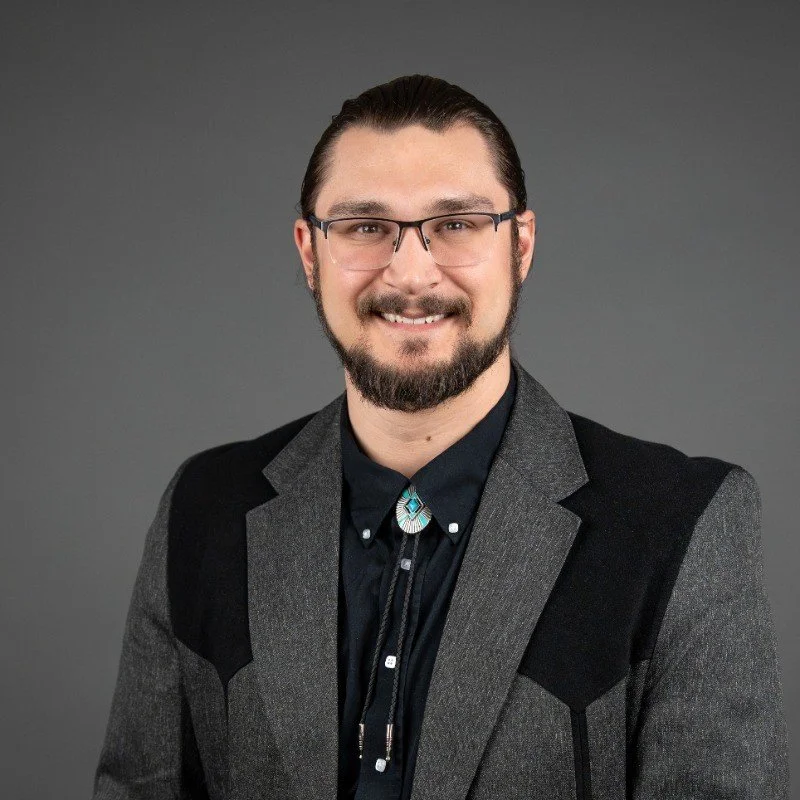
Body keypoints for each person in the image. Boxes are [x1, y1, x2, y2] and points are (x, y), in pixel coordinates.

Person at [93, 74, 789, 800]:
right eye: (366, 227)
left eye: (455, 224)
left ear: (520, 245)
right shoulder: (204, 509)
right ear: (309, 253)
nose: (411, 272)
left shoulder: (680, 522)